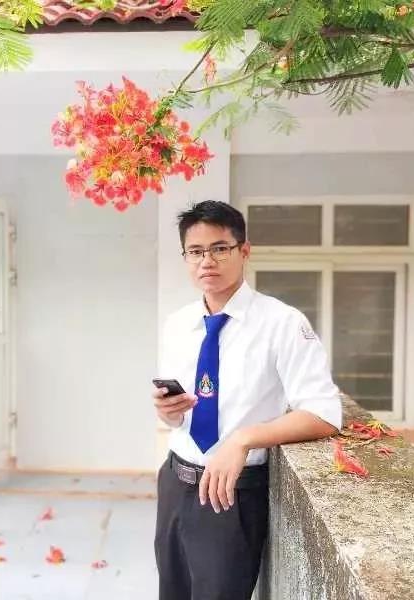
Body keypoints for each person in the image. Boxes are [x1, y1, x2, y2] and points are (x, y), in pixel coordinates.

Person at [152, 200, 342, 600]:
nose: (207, 261)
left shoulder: (282, 323)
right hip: (175, 482)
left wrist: (243, 439)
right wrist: (169, 412)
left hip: (232, 493)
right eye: (195, 251)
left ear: (244, 251)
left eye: (220, 248)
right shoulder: (178, 324)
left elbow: (324, 414)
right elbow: (185, 413)